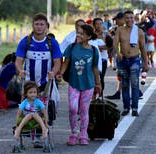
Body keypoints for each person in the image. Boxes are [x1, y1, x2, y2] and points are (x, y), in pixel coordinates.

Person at [15, 12, 62, 146]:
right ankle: (35, 137)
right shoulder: (26, 41)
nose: (39, 27)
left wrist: (54, 72)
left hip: (46, 82)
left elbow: (58, 61)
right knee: (30, 109)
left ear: (46, 26)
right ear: (33, 26)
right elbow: (18, 61)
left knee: (49, 107)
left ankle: (46, 128)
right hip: (30, 83)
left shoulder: (52, 42)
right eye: (37, 24)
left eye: (42, 24)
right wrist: (20, 71)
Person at [58, 24, 101, 145]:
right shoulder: (71, 48)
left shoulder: (93, 50)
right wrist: (60, 73)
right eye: (78, 33)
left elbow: (95, 68)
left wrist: (98, 83)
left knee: (84, 110)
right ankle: (73, 133)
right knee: (73, 108)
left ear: (88, 36)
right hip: (74, 83)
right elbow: (66, 63)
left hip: (88, 84)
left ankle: (83, 134)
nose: (79, 35)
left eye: (82, 34)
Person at [113, 10, 149, 117]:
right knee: (124, 85)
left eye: (131, 18)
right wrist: (118, 53)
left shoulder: (139, 31)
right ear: (124, 19)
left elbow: (143, 48)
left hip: (134, 60)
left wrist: (145, 63)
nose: (129, 20)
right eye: (127, 18)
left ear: (134, 19)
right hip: (123, 60)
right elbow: (115, 44)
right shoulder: (120, 30)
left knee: (134, 83)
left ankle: (134, 108)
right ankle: (126, 107)